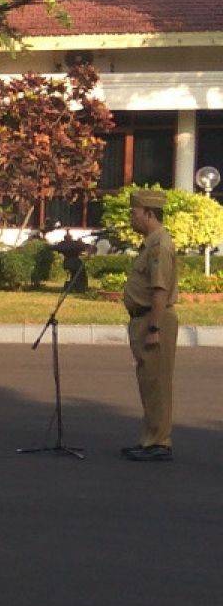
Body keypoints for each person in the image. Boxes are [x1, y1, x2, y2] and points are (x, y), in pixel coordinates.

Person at [121, 189, 178, 462]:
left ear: (149, 214)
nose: (132, 218)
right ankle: (149, 439)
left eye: (135, 213)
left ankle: (159, 442)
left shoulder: (159, 246)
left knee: (157, 383)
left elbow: (160, 291)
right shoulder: (151, 243)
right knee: (148, 383)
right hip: (144, 318)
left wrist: (154, 329)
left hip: (154, 320)